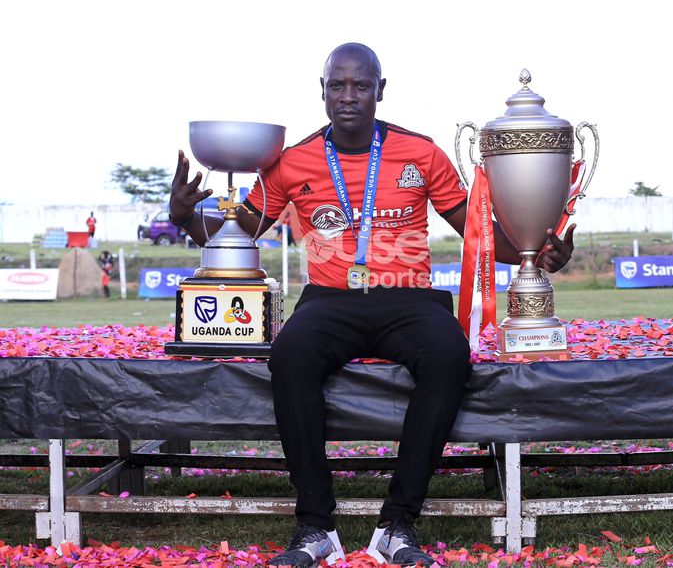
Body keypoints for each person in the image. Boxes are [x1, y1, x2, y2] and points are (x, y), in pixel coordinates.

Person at [169, 43, 575, 567]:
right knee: (290, 355)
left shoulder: (421, 153)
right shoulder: (291, 162)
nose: (348, 96)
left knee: (449, 354)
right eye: (337, 85)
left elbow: (477, 233)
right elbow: (236, 235)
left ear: (380, 90)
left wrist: (535, 250)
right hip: (330, 301)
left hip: (409, 300)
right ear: (322, 92)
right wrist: (184, 218)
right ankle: (315, 527)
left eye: (361, 85)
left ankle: (397, 523)